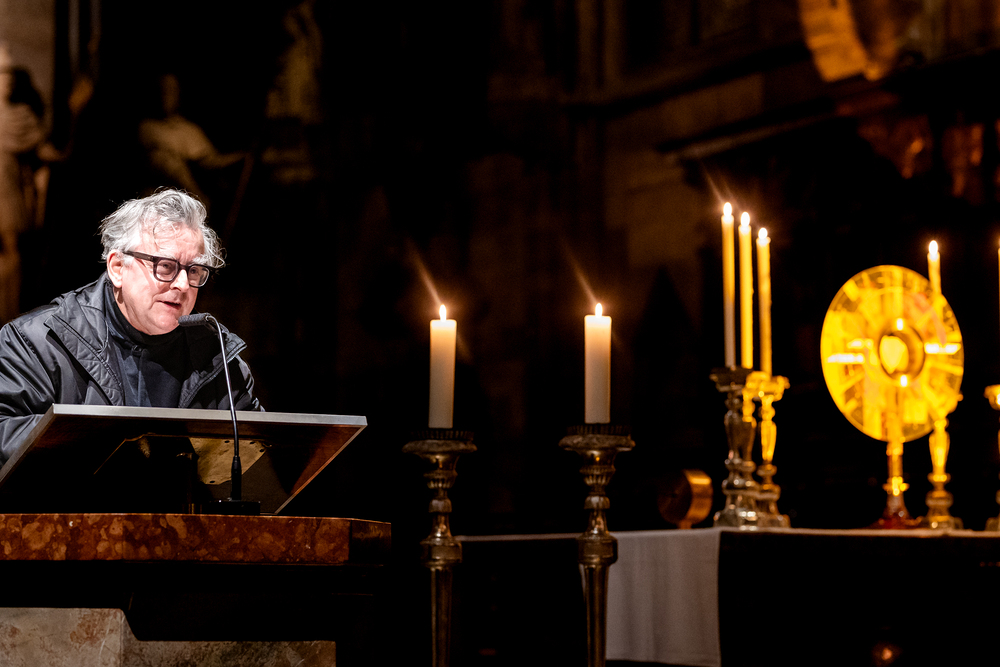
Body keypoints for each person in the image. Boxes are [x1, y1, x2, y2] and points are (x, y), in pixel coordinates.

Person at [0, 188, 260, 467]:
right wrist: (111, 446)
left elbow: (258, 463)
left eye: (193, 270)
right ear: (118, 268)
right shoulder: (35, 342)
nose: (183, 285)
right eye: (166, 266)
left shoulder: (219, 357)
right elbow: (5, 435)